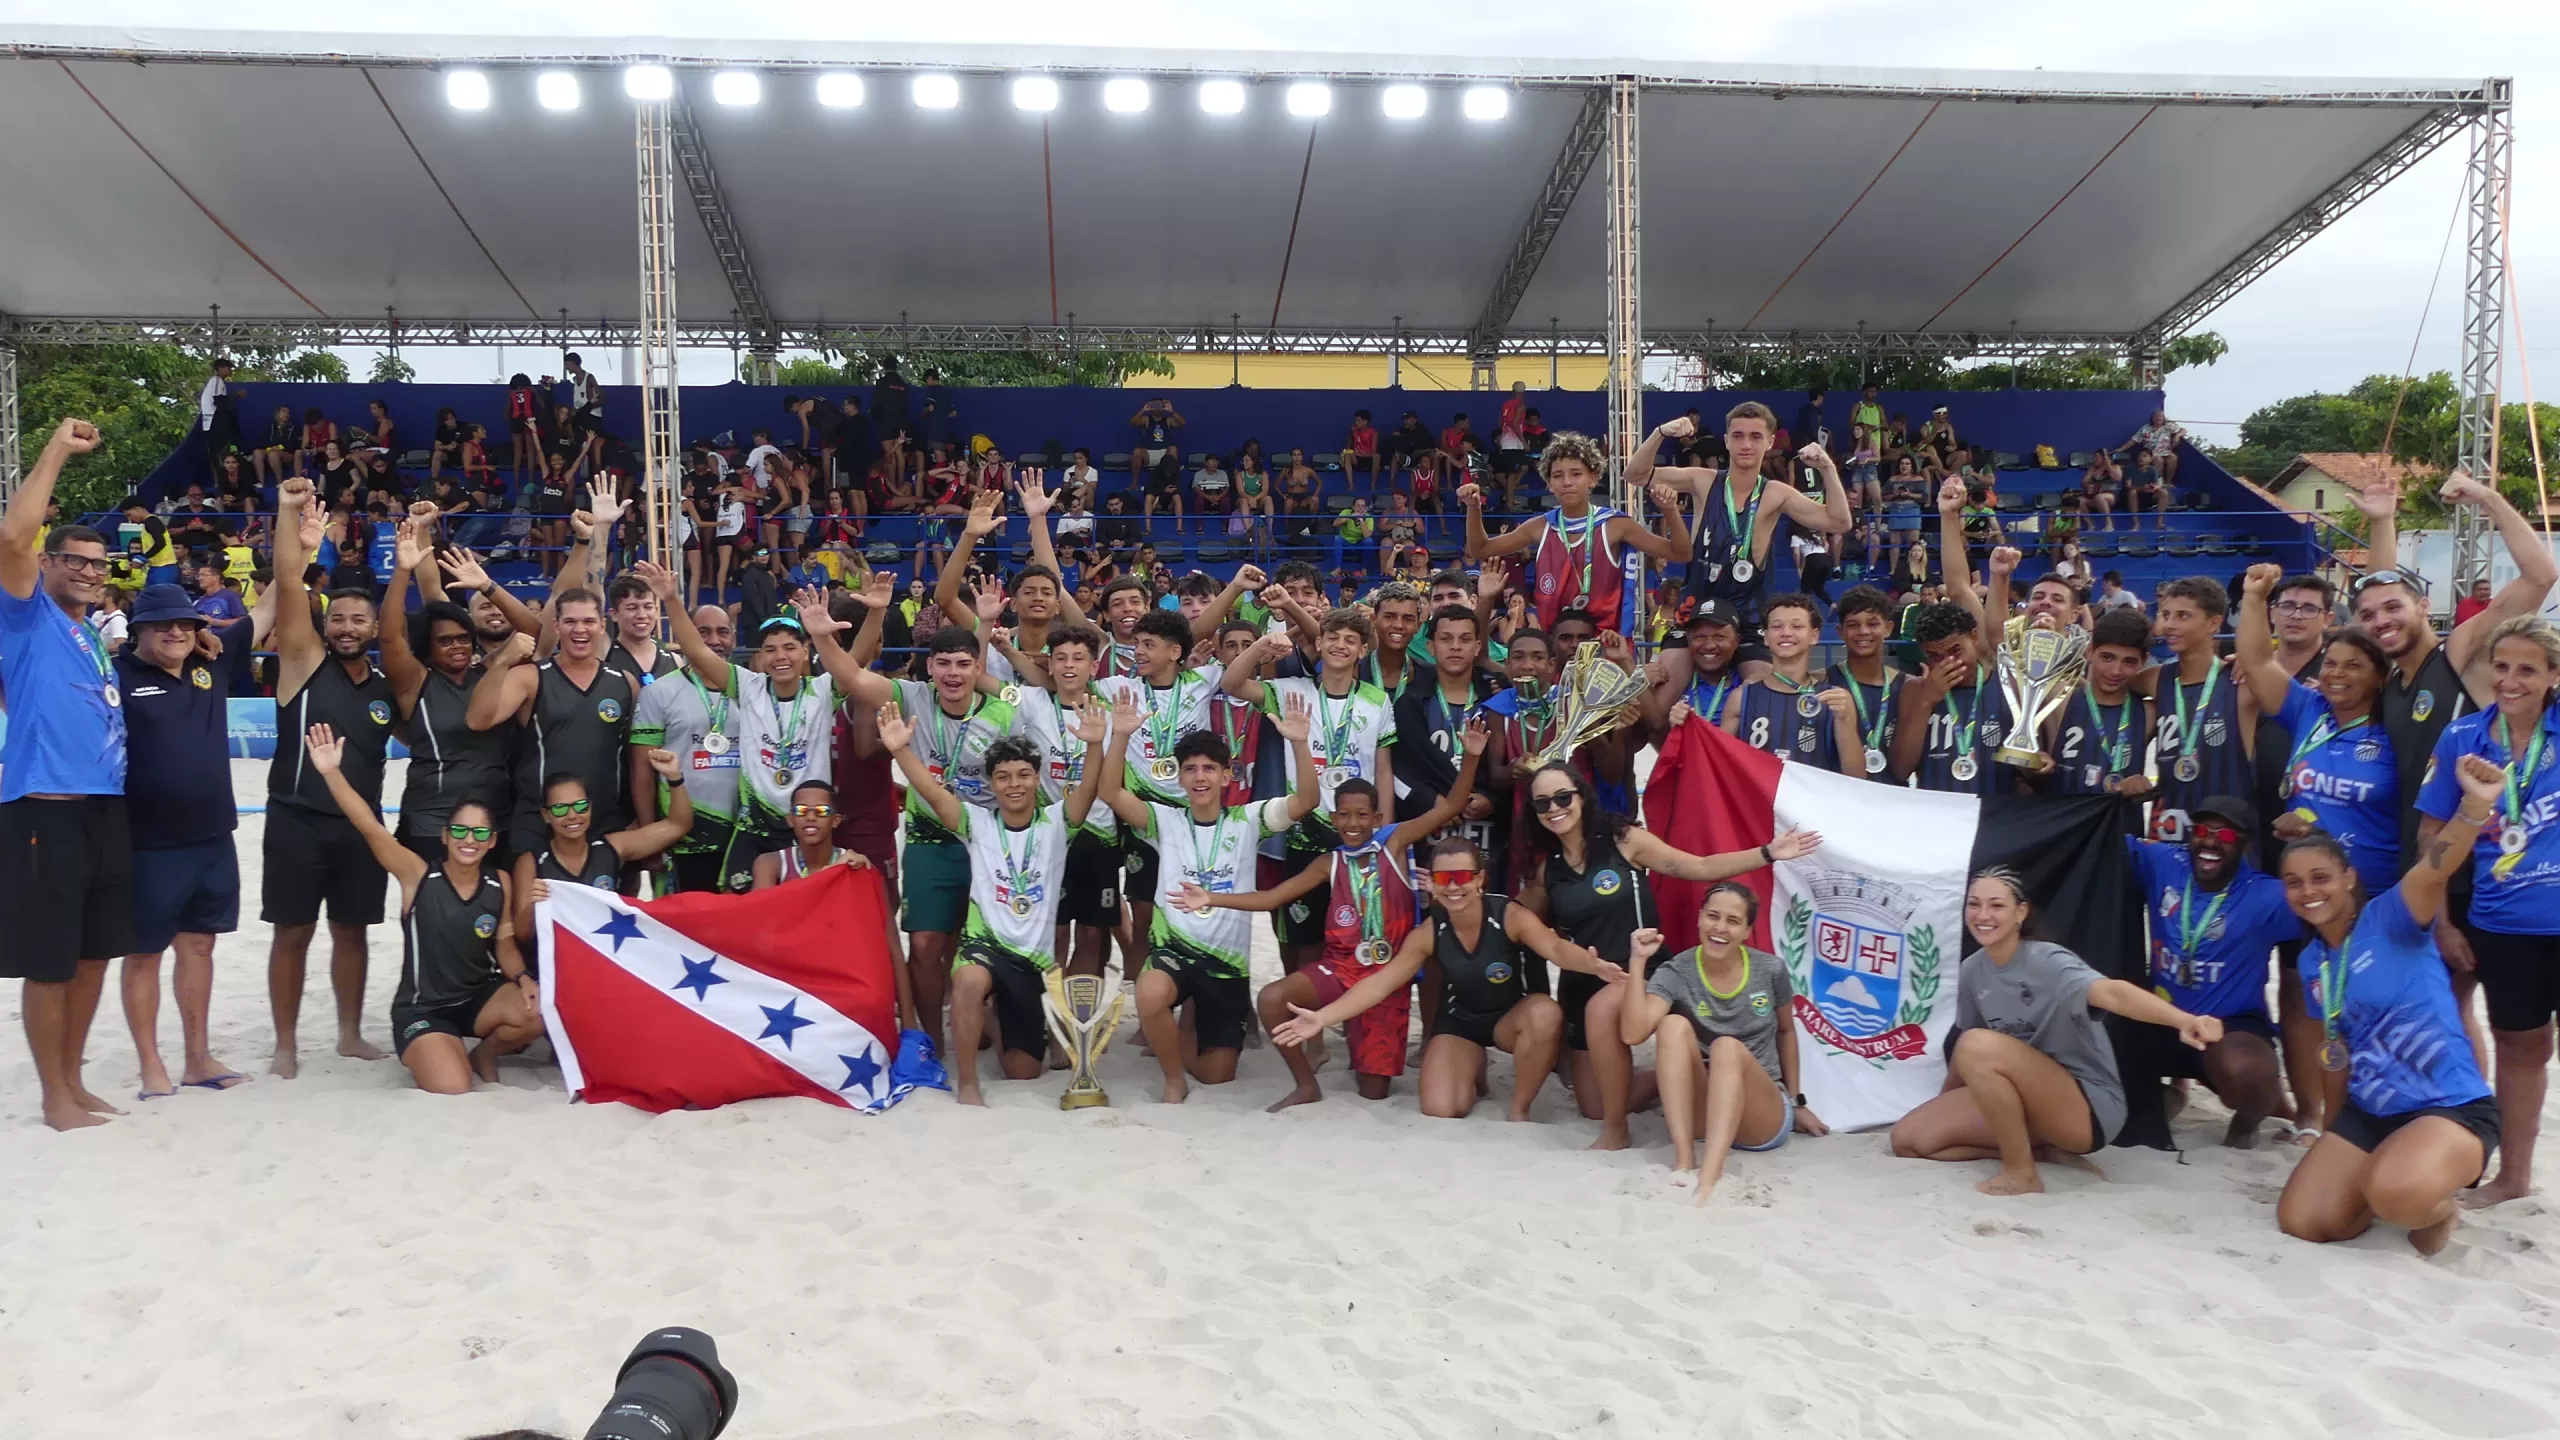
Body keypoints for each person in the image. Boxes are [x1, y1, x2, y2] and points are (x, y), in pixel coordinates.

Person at [1520, 760, 1820, 1149]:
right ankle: (1673, 1081)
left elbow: (1698, 866)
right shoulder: (1549, 872)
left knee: (1604, 1017)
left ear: (1581, 797)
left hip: (1641, 972)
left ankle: (1616, 1132)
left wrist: (1767, 853)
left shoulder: (1623, 840)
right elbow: (1517, 917)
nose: (1554, 808)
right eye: (1542, 803)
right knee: (1594, 1104)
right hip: (1583, 982)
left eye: (1563, 797)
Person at [1183, 728, 1487, 1110]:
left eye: (1362, 815)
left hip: (1385, 977)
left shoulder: (1393, 843)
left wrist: (1472, 755)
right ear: (1332, 818)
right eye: (1344, 815)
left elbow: (1451, 805)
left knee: (1373, 1091)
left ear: (1377, 817)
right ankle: (1306, 1085)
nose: (1353, 823)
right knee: (1273, 998)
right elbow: (1273, 898)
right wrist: (1211, 896)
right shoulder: (1330, 861)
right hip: (1339, 970)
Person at [2357, 470, 2558, 1035]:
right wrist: (2382, 521)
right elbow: (2380, 586)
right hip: (2423, 857)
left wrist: (2489, 496)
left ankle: (2468, 1117)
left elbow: (2542, 574)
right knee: (2437, 1009)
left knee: (2459, 1008)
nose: (2381, 621)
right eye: (2368, 616)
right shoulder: (2391, 680)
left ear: (2424, 606)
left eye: (2394, 609)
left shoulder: (2461, 653)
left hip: (2481, 866)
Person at [2280, 756, 2505, 1253]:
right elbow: (2335, 1058)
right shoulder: (2315, 961)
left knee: (2396, 1194)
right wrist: (2333, 1133)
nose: (2308, 892)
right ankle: (2386, 1174)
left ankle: (2441, 1208)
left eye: (2320, 878)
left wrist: (2472, 808)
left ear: (2349, 879)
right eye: (2295, 883)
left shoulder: (2391, 917)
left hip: (2449, 1108)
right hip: (2371, 1111)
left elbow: (2435, 867)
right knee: (2303, 1220)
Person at [1890, 868, 2222, 1195]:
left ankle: (2022, 1173)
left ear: (2021, 912)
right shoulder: (1972, 970)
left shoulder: (2047, 960)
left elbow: (2112, 993)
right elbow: (1967, 1056)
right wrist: (1945, 1104)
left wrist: (2184, 1021)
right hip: (2020, 1097)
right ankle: (2041, 1152)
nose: (1983, 915)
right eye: (1974, 904)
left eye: (1996, 905)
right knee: (1909, 1140)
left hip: (2086, 1108)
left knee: (1977, 1044)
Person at [1273, 834, 1621, 1121]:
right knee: (1442, 1108)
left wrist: (1593, 965)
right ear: (1433, 884)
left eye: (1463, 877)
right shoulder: (1429, 931)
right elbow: (1381, 982)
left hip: (1509, 1021)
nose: (1453, 887)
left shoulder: (1509, 914)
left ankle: (1519, 1108)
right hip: (1459, 1025)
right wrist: (1322, 1017)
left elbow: (1556, 949)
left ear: (1480, 879)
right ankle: (1472, 1066)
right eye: (1442, 879)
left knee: (1545, 1012)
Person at [0, 420, 135, 1129]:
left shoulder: (90, 632)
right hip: (44, 809)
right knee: (49, 962)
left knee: (93, 957)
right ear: (48, 564)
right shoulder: (24, 615)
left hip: (104, 810)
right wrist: (55, 448)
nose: (88, 570)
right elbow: (14, 537)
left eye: (98, 563)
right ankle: (53, 1095)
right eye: (75, 560)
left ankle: (75, 1081)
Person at [1095, 692, 1323, 1102]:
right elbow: (1111, 792)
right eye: (1190, 770)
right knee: (1149, 991)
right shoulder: (1164, 819)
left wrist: (1300, 744)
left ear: (1226, 776)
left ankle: (1190, 1027)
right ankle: (1172, 1078)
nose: (1199, 777)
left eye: (1209, 769)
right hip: (1174, 953)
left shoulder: (1249, 819)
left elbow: (1307, 801)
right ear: (1180, 777)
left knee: (1218, 1076)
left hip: (1226, 965)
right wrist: (1121, 737)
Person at [303, 724, 542, 1094]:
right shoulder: (417, 875)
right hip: (424, 1010)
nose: (469, 840)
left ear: (492, 841)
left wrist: (525, 978)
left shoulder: (501, 882)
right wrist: (331, 772)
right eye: (460, 831)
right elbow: (369, 826)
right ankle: (436, 1049)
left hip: (477, 998)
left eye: (480, 833)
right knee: (452, 1085)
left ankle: (484, 1054)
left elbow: (505, 947)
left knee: (537, 1011)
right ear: (445, 835)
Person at [883, 710, 1103, 1104]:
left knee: (1023, 1072)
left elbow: (1089, 788)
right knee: (967, 981)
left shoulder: (1058, 822)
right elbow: (933, 794)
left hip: (1031, 962)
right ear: (991, 783)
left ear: (1037, 778)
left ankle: (997, 1013)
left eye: (1023, 775)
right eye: (1003, 777)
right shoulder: (976, 822)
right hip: (984, 948)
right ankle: (968, 1084)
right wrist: (901, 751)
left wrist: (1095, 743)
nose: (1013, 784)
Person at [2414, 616, 2560, 1209]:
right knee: (2521, 1048)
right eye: (2502, 667)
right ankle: (2514, 1178)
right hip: (2503, 924)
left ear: (2554, 676)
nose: (2511, 680)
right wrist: (2445, 921)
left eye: (2527, 669)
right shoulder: (2462, 739)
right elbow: (2430, 833)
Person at [261, 477, 395, 1078]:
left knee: (352, 933)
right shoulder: (302, 662)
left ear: (374, 629)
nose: (345, 627)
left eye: (357, 621)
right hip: (296, 818)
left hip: (360, 828)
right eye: (336, 618)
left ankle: (347, 1034)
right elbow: (290, 585)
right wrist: (290, 518)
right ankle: (285, 1043)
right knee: (292, 933)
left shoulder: (388, 690)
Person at [115, 584, 250, 1099]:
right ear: (138, 631)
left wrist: (297, 536)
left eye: (185, 624)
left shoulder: (207, 666)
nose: (176, 632)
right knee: (145, 954)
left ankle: (197, 1057)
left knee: (199, 945)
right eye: (162, 624)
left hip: (215, 836)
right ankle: (151, 1064)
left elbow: (268, 606)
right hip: (147, 841)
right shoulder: (117, 675)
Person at [1617, 885, 1828, 1194]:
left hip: (1760, 1114)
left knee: (1726, 1047)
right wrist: (1637, 962)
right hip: (1706, 1107)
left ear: (1746, 931)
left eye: (1732, 921)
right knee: (1672, 1025)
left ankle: (1709, 1176)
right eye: (1713, 916)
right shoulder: (1677, 971)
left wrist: (1797, 1102)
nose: (1720, 928)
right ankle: (1684, 1159)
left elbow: (1786, 1031)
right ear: (1700, 918)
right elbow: (1633, 1034)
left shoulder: (1770, 969)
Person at [1221, 612, 1397, 977]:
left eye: (1351, 640)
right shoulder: (1291, 691)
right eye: (1333, 637)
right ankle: (1303, 1021)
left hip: (1355, 829)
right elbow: (1233, 684)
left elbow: (1383, 769)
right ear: (1318, 643)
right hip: (1304, 827)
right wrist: (1260, 646)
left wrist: (1386, 834)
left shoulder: (1377, 700)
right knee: (1302, 938)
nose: (1340, 645)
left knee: (1355, 933)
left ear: (1363, 651)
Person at [2127, 796, 2302, 1146]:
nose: (2209, 841)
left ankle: (2247, 1123)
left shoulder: (2268, 895)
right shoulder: (2162, 861)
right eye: (2203, 830)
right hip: (2162, 1015)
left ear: (2245, 844)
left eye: (2224, 835)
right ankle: (2167, 1095)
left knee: (2248, 1073)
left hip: (2228, 1025)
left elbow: (2331, 909)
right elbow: (2094, 841)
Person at [2234, 563, 2399, 893]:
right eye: (2331, 664)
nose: (2337, 674)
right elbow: (2257, 663)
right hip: (2308, 885)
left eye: (2354, 666)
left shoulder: (2397, 726)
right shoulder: (2310, 708)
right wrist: (2254, 597)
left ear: (2380, 677)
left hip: (2373, 891)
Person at [1629, 407, 1851, 647]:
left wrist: (1826, 466)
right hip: (1695, 613)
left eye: (1756, 437)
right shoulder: (1703, 480)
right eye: (1738, 436)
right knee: (1668, 676)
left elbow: (1840, 522)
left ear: (1770, 442)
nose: (1746, 444)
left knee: (1757, 680)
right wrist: (1659, 433)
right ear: (1726, 441)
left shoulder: (1776, 493)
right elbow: (1636, 475)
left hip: (1749, 620)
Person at [1462, 432, 1690, 634]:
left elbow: (1681, 553)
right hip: (1557, 649)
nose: (1567, 482)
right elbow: (1480, 549)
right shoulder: (1539, 527)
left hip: (1606, 649)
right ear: (1549, 483)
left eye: (1576, 474)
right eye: (1558, 476)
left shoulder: (1616, 525)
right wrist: (1474, 508)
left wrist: (1670, 510)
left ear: (1592, 478)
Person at [511, 754, 696, 944]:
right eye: (560, 809)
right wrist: (532, 906)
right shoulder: (531, 862)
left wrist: (674, 777)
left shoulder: (612, 847)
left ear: (590, 807)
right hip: (562, 962)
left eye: (581, 806)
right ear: (546, 815)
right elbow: (523, 935)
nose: (572, 815)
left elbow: (679, 825)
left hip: (605, 957)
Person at [630, 605, 742, 894]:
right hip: (683, 836)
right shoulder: (659, 692)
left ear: (734, 637)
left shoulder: (752, 687)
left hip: (744, 836)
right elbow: (642, 770)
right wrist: (649, 836)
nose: (714, 640)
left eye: (723, 632)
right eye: (702, 632)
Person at [2144, 578, 2255, 842]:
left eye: (2183, 616)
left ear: (2213, 623)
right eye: (2166, 615)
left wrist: (2256, 662)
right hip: (2171, 833)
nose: (2169, 624)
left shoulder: (2241, 682)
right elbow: (2101, 687)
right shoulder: (2154, 679)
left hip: (2225, 836)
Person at [1716, 592, 1861, 773]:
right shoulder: (1742, 697)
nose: (1786, 633)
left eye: (1797, 626)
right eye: (1777, 626)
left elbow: (1856, 777)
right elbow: (1717, 764)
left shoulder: (1835, 699)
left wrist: (1845, 721)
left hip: (1812, 800)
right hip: (1760, 800)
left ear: (1814, 636)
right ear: (1766, 637)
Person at [1893, 602, 2012, 795]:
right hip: (1938, 814)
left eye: (1955, 651)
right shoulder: (1915, 689)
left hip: (1996, 813)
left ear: (1974, 637)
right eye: (1934, 656)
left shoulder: (2008, 686)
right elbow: (1901, 770)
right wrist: (1925, 703)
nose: (1948, 663)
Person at [2039, 607, 2156, 800]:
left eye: (2129, 662)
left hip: (2119, 825)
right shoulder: (2059, 698)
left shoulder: (2149, 711)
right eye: (2107, 658)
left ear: (2144, 661)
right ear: (2090, 651)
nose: (2115, 671)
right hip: (2064, 823)